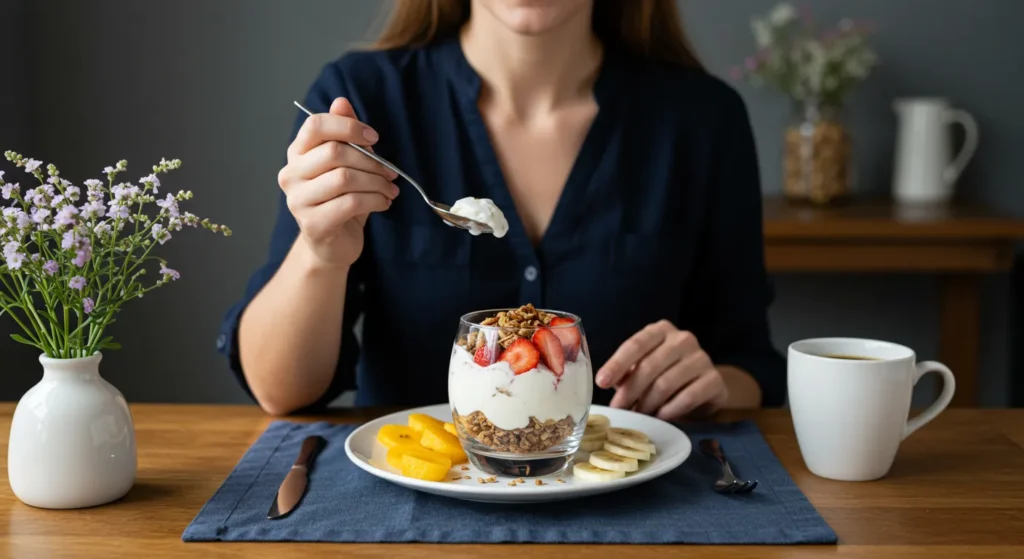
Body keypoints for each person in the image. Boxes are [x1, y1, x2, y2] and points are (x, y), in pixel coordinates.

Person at [217, 0, 786, 419]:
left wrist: (713, 382)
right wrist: (320, 255)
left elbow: (747, 363)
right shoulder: (363, 104)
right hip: (408, 515)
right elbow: (281, 392)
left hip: (634, 511)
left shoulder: (703, 120)